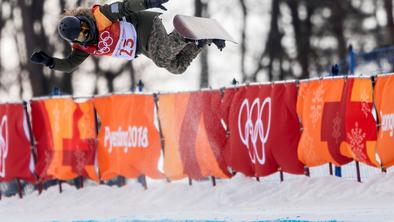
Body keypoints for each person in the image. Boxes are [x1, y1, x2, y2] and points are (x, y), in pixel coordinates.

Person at [30, 0, 223, 74]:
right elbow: (70, 65)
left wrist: (147, 2)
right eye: (81, 35)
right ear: (77, 41)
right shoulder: (83, 48)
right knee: (176, 67)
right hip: (141, 46)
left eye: (83, 26)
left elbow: (125, 6)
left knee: (162, 58)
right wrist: (50, 62)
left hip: (143, 26)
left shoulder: (100, 16)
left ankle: (184, 35)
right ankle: (199, 41)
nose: (86, 32)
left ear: (83, 19)